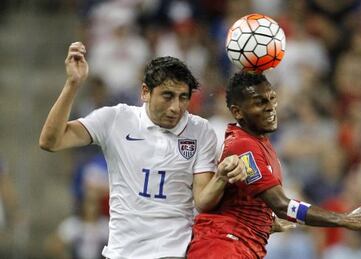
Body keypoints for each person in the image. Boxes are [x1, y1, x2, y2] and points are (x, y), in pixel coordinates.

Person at [39, 42, 247, 259]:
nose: (176, 107)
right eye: (167, 96)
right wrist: (72, 84)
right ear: (145, 92)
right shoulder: (116, 119)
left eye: (183, 97)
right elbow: (51, 141)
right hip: (123, 252)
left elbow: (203, 200)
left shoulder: (200, 130)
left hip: (174, 252)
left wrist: (221, 177)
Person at [187, 71, 361, 259]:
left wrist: (266, 221)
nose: (270, 107)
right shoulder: (243, 146)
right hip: (222, 248)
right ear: (237, 112)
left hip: (236, 247)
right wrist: (344, 219)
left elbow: (241, 202)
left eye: (272, 98)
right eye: (259, 102)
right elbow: (282, 205)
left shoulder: (259, 143)